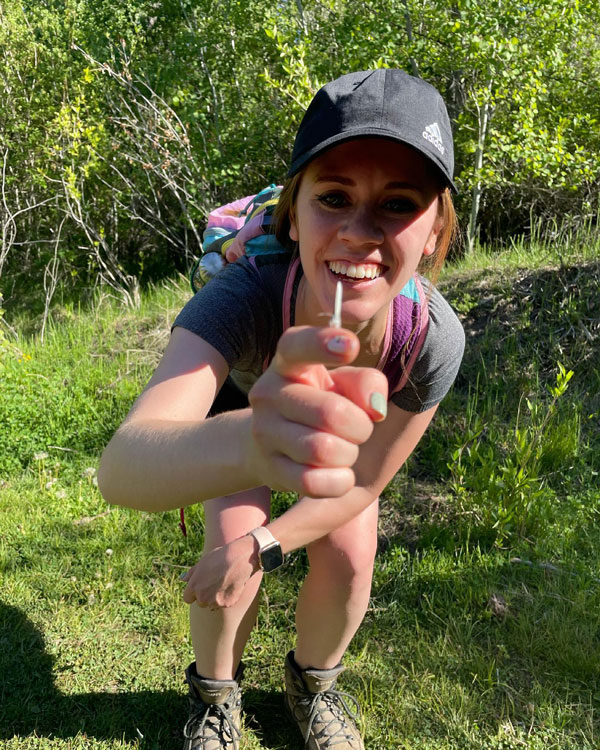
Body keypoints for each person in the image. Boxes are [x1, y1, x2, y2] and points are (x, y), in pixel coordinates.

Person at [98, 68, 465, 750]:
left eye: (398, 204)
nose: (359, 232)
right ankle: (215, 697)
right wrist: (250, 451)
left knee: (352, 554)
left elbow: (363, 484)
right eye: (333, 197)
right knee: (224, 544)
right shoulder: (244, 296)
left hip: (345, 440)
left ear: (436, 227)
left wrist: (265, 544)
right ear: (291, 215)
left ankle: (315, 684)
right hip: (243, 409)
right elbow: (122, 466)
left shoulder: (432, 342)